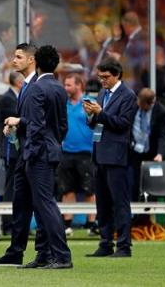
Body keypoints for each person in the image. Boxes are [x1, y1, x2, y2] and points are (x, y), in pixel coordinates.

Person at [4, 45, 73, 269]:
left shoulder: (36, 89)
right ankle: (43, 254)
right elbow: (62, 126)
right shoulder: (59, 88)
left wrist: (31, 152)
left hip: (36, 153)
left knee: (45, 204)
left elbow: (35, 126)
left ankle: (62, 255)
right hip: (50, 151)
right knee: (40, 203)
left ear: (37, 63)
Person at [0, 43, 50, 268]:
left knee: (39, 204)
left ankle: (43, 252)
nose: (13, 60)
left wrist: (20, 121)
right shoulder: (25, 87)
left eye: (18, 57)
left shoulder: (38, 86)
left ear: (31, 60)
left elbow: (42, 121)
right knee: (20, 203)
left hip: (35, 153)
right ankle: (15, 251)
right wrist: (14, 126)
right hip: (22, 152)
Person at [83, 57, 137, 258]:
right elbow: (97, 122)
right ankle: (105, 243)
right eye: (100, 77)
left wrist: (101, 113)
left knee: (120, 202)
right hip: (99, 153)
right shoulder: (102, 93)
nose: (102, 81)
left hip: (116, 156)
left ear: (116, 75)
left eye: (106, 77)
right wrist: (90, 115)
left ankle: (124, 246)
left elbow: (122, 123)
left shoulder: (128, 96)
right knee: (102, 203)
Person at [58, 73, 97, 237]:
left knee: (89, 190)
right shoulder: (63, 104)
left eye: (69, 85)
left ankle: (91, 224)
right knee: (67, 190)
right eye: (65, 85)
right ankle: (67, 225)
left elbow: (98, 125)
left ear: (79, 85)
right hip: (66, 153)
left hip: (86, 153)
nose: (66, 88)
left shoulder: (90, 103)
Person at [128, 88, 165, 202]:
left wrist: (160, 153)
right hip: (135, 152)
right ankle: (136, 215)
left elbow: (163, 134)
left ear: (151, 103)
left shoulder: (161, 111)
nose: (139, 106)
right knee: (134, 183)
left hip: (152, 153)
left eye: (142, 105)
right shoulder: (133, 106)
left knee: (151, 184)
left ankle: (149, 214)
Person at [0, 71, 23, 233]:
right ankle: (8, 223)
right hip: (10, 148)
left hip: (17, 148)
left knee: (17, 185)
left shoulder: (15, 96)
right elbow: (17, 117)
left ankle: (17, 223)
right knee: (10, 185)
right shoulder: (8, 98)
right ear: (19, 83)